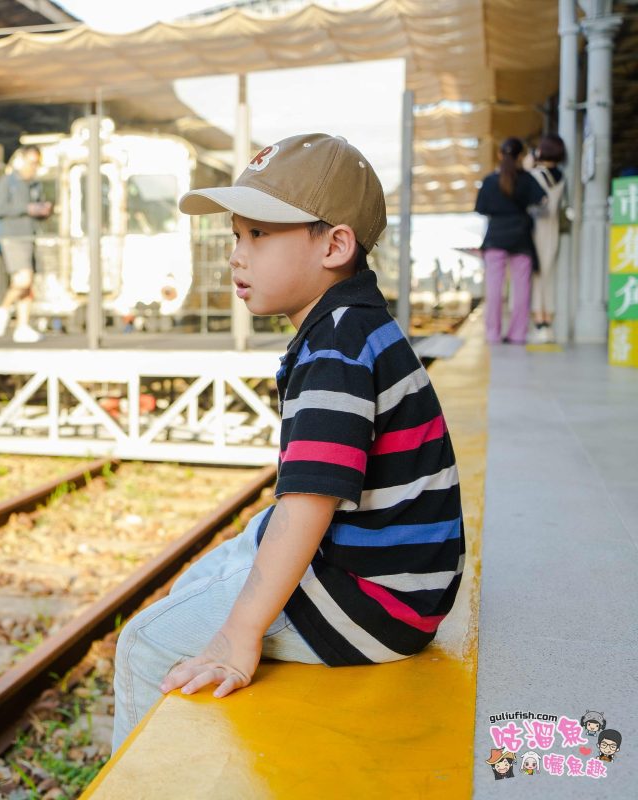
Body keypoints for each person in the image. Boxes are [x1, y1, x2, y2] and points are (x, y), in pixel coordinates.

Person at [111, 133, 464, 751]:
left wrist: (239, 633)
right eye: (236, 236)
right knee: (210, 570)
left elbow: (309, 503)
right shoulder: (353, 325)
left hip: (375, 606)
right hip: (390, 578)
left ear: (334, 245)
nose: (236, 257)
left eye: (259, 235)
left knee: (144, 641)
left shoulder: (335, 351)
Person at [474, 137, 547, 344]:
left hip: (495, 236)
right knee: (522, 288)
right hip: (521, 236)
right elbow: (543, 201)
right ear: (521, 156)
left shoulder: (489, 181)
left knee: (494, 288)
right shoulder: (526, 179)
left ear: (499, 155)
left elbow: (480, 208)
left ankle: (493, 334)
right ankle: (518, 334)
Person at [0, 145, 51, 343]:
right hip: (13, 237)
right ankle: (2, 310)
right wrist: (27, 208)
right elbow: (1, 209)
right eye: (31, 162)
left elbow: (36, 211)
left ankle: (22, 326)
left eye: (37, 163)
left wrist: (43, 211)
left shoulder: (36, 185)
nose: (34, 167)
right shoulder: (8, 181)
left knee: (28, 284)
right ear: (22, 160)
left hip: (30, 236)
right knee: (23, 279)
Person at [527, 135, 567, 343]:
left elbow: (523, 175)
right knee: (548, 276)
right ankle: (548, 323)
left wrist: (532, 158)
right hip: (553, 229)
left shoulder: (535, 174)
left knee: (536, 276)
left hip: (536, 229)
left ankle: (539, 322)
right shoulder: (561, 176)